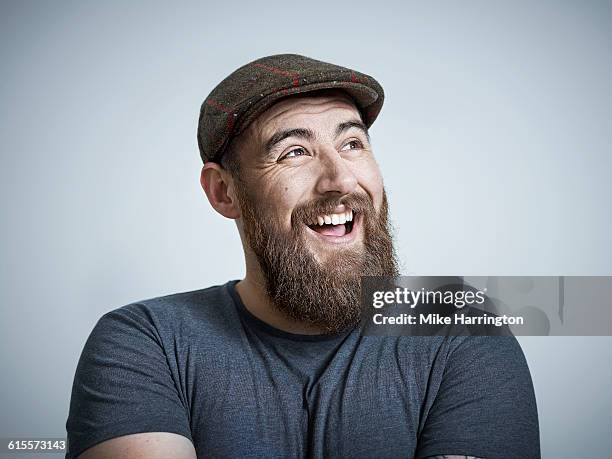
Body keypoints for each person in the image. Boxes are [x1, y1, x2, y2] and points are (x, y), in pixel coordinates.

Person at [65, 54, 540, 459]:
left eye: (352, 144)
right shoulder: (147, 342)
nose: (339, 179)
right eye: (294, 152)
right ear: (224, 192)